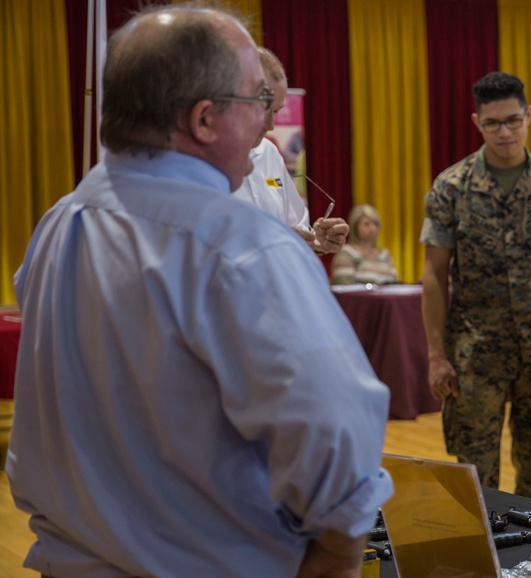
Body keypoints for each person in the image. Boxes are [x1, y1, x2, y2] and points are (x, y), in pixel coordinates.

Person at [5, 6, 392, 578]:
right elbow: (335, 437)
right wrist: (335, 558)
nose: (269, 118)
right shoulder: (241, 246)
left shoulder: (59, 224)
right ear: (206, 119)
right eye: (259, 100)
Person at [420, 71, 531, 501]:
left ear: (529, 115)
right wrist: (436, 355)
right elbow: (434, 276)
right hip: (475, 351)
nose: (505, 131)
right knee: (475, 472)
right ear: (477, 122)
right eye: (493, 123)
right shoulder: (451, 188)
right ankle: (481, 562)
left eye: (513, 120)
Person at [232, 47, 348, 254]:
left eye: (276, 112)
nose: (271, 126)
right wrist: (276, 239)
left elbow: (295, 228)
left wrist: (316, 243)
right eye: (264, 111)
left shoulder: (269, 153)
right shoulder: (198, 158)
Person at [330, 204, 398, 285]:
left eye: (375, 224)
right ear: (355, 227)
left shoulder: (385, 255)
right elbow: (344, 288)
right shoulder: (346, 253)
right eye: (366, 224)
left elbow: (394, 284)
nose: (372, 229)